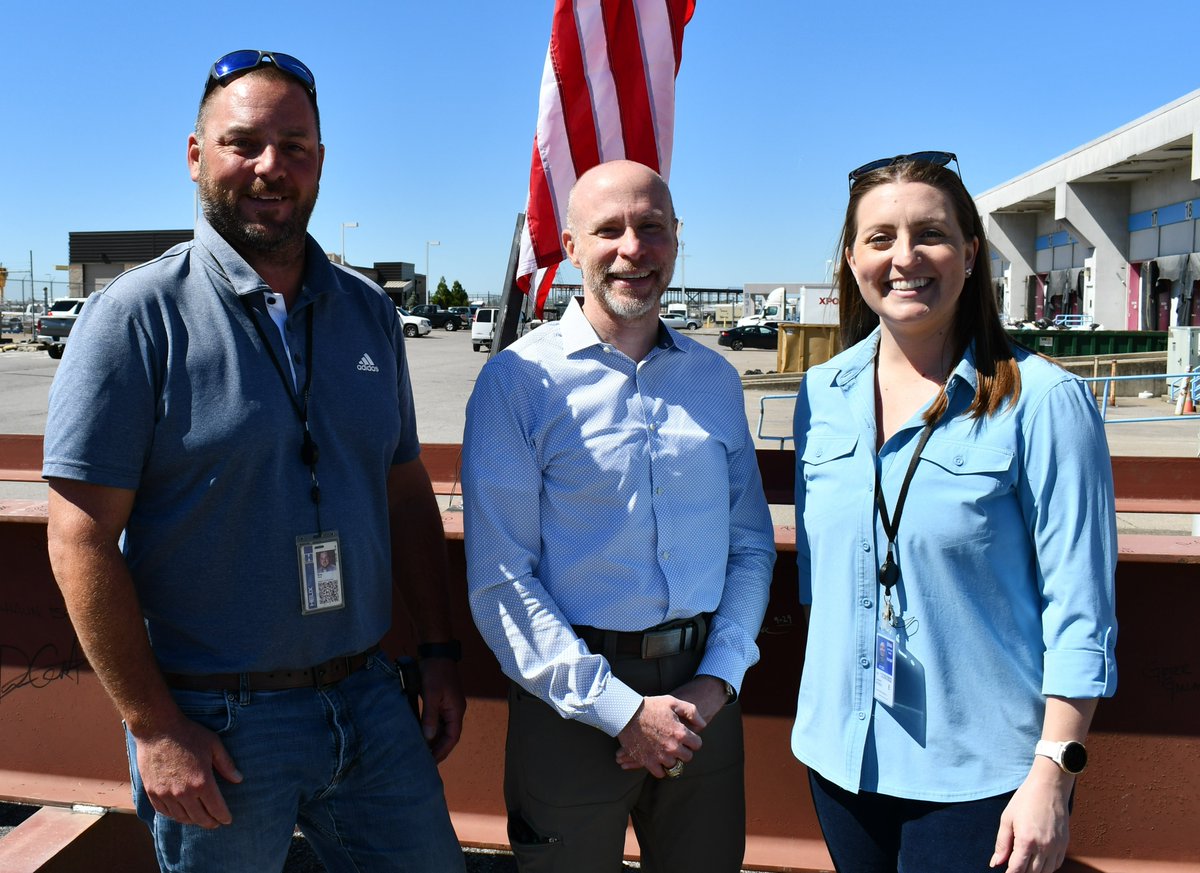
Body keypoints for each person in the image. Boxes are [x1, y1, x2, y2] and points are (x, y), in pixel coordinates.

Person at [43, 50, 466, 872]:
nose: (272, 167)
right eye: (244, 143)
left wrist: (440, 654)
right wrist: (156, 727)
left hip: (370, 697)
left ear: (319, 164)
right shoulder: (134, 319)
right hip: (217, 719)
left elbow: (403, 488)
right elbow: (79, 540)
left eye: (296, 147)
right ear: (196, 156)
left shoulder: (369, 313)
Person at [790, 151, 1118, 873]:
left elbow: (1081, 611)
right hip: (841, 757)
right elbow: (823, 582)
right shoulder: (821, 394)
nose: (904, 257)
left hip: (984, 780)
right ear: (851, 258)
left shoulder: (1045, 401)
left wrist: (1054, 777)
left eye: (929, 234)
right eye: (879, 238)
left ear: (971, 252)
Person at [462, 159, 776, 872]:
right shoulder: (517, 383)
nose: (633, 248)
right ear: (571, 247)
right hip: (569, 705)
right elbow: (502, 578)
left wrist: (717, 677)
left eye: (652, 228)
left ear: (675, 240)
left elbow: (751, 547)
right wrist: (623, 710)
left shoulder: (716, 380)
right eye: (608, 230)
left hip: (704, 701)